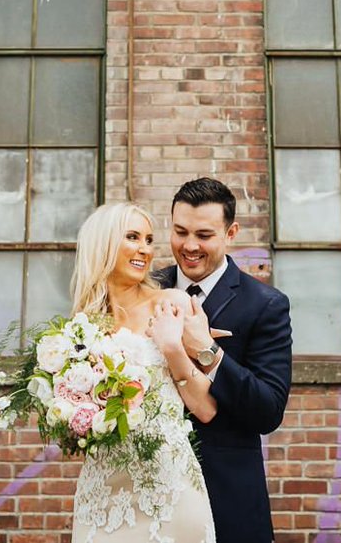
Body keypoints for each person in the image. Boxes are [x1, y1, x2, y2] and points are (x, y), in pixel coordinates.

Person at [155, 177, 294, 543]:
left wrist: (208, 351)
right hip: (147, 495)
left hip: (225, 499)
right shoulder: (144, 290)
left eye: (204, 235)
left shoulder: (266, 305)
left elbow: (268, 411)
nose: (189, 246)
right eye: (180, 231)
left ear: (231, 232)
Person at [68, 202, 217, 543]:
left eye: (149, 240)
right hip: (102, 488)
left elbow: (206, 408)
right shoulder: (82, 325)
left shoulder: (172, 303)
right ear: (103, 244)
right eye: (133, 237)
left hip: (168, 485)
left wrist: (172, 348)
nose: (145, 249)